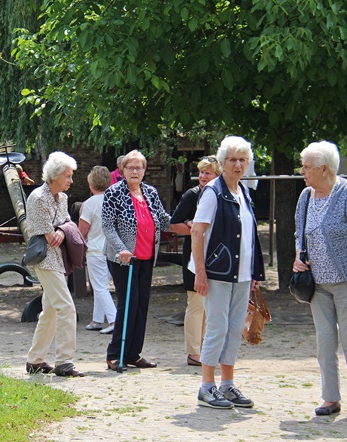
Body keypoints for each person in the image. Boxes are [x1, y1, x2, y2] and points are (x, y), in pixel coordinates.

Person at [293, 140, 347, 418]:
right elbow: (300, 234)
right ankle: (330, 398)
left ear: (323, 168)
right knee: (325, 343)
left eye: (306, 167)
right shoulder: (306, 196)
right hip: (318, 285)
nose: (302, 171)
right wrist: (298, 257)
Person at [190, 136, 265, 409]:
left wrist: (255, 270)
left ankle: (227, 384)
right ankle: (206, 387)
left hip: (242, 273)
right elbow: (197, 232)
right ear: (222, 163)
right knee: (218, 327)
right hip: (217, 272)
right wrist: (200, 272)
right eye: (232, 159)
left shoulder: (243, 192)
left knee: (234, 329)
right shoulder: (213, 191)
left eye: (242, 159)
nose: (237, 164)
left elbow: (250, 236)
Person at [102, 149, 172, 371]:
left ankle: (133, 353)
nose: (135, 171)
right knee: (128, 305)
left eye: (139, 167)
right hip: (124, 259)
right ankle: (115, 354)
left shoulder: (150, 192)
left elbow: (164, 219)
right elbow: (107, 225)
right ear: (122, 170)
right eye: (130, 167)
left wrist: (190, 224)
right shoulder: (114, 193)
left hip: (146, 257)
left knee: (141, 305)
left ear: (144, 170)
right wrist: (122, 249)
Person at [24, 151, 84, 378]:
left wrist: (61, 229)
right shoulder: (38, 198)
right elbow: (48, 235)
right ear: (55, 175)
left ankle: (35, 360)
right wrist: (58, 231)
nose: (71, 180)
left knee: (49, 311)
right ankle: (64, 362)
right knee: (66, 307)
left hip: (60, 259)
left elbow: (66, 224)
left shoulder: (63, 198)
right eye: (68, 176)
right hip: (45, 260)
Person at [169, 156, 221, 366]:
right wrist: (194, 227)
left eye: (207, 173)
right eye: (201, 172)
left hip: (216, 258)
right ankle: (193, 352)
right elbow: (174, 225)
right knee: (196, 303)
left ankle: (207, 348)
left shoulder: (221, 194)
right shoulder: (193, 195)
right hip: (194, 256)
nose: (202, 176)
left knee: (211, 307)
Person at [79, 166, 117, 335]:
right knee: (101, 285)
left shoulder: (89, 204)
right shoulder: (115, 201)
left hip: (96, 250)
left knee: (100, 287)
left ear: (91, 184)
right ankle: (97, 319)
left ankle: (114, 319)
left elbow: (82, 232)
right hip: (113, 250)